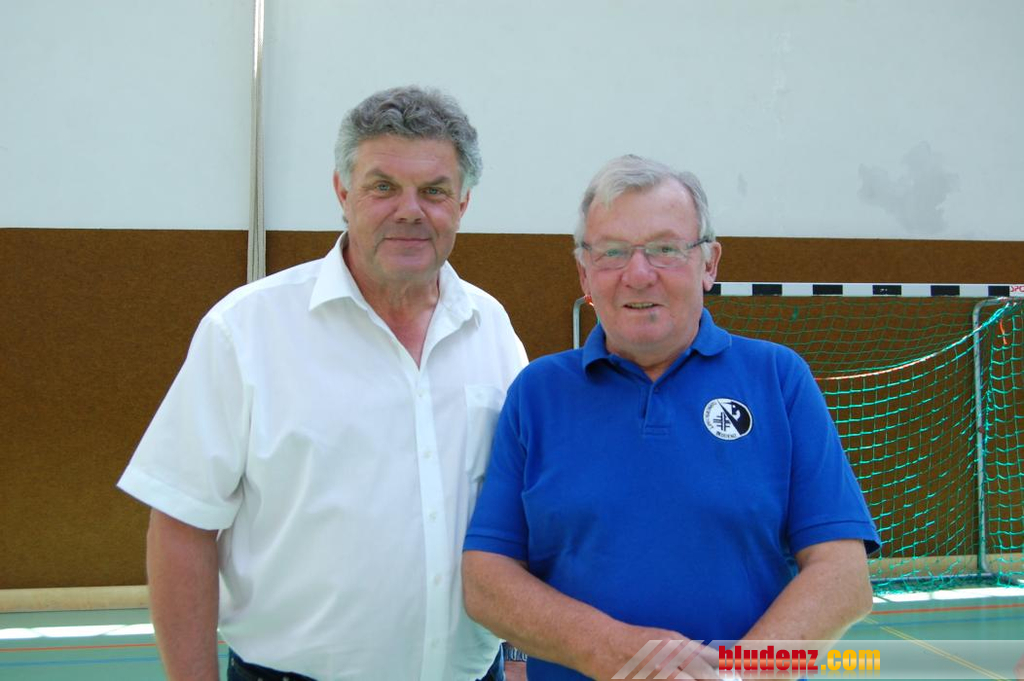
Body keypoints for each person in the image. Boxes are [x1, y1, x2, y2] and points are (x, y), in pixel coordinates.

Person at [118, 86, 527, 681]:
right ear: (342, 192)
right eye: (382, 186)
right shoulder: (245, 331)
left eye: (434, 191)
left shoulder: (492, 330)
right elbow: (182, 526)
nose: (409, 210)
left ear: (463, 202)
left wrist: (519, 658)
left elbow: (519, 516)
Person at [462, 155, 881, 680]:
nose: (638, 275)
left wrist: (738, 676)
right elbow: (486, 581)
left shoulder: (778, 378)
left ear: (709, 263)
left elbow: (843, 577)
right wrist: (606, 649)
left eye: (665, 249)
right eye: (612, 252)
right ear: (584, 272)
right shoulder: (536, 393)